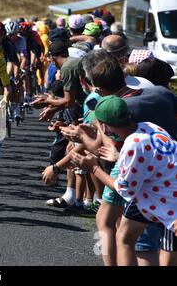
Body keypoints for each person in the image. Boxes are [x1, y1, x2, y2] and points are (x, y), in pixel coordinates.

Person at [70, 95, 177, 266]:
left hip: (168, 203)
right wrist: (118, 157)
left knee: (121, 234)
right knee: (123, 236)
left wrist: (93, 168)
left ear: (104, 126)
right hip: (152, 192)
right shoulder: (149, 126)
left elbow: (123, 188)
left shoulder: (132, 145)